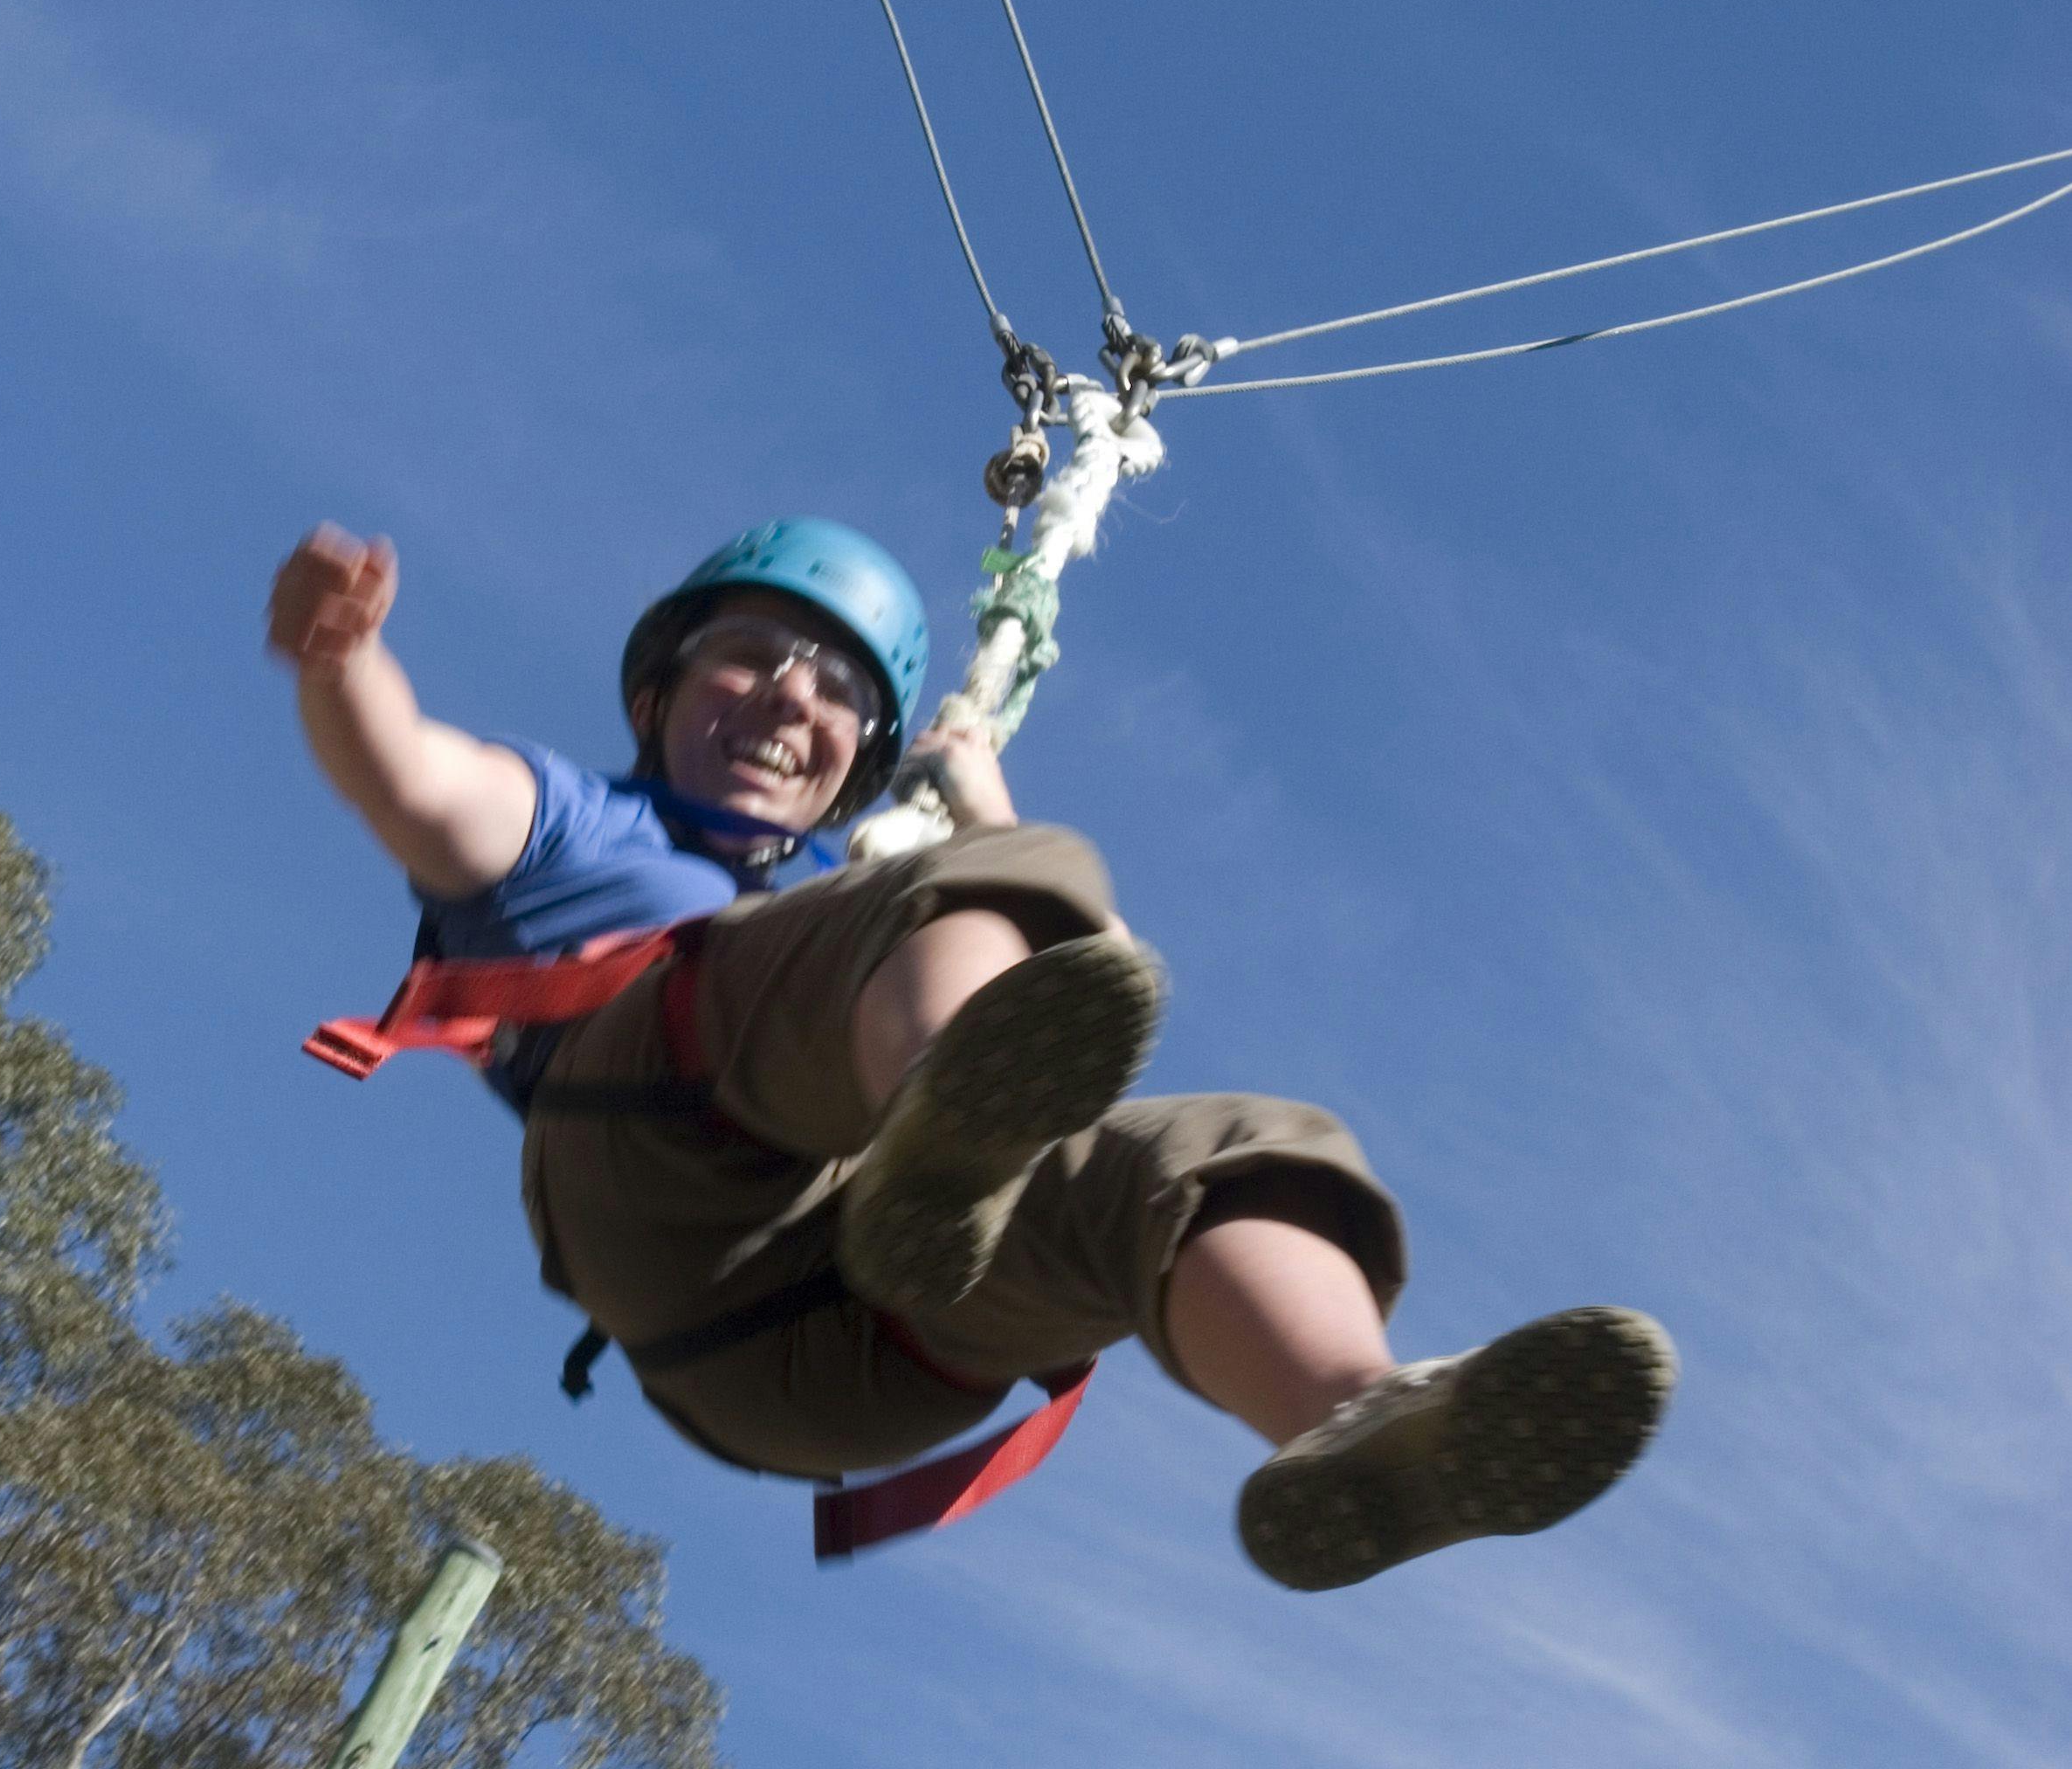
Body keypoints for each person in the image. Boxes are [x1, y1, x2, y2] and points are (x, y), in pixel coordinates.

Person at [269, 511, 1673, 1587]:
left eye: (836, 689)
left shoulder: (863, 897)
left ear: (858, 762)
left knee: (1213, 1154)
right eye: (752, 655)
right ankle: (942, 1139)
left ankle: (1365, 1421)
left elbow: (1098, 984)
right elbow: (412, 777)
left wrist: (990, 819)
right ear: (658, 696)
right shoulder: (581, 823)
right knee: (942, 909)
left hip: (842, 1369)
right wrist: (343, 662)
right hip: (671, 1209)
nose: (791, 697)